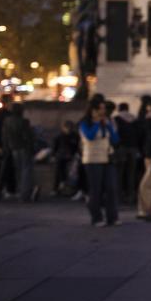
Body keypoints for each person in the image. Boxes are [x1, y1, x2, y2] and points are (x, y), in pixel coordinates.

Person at [79, 97, 120, 226]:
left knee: (111, 188)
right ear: (93, 110)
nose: (103, 111)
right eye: (100, 109)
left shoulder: (106, 122)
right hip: (92, 160)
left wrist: (108, 125)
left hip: (107, 158)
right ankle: (96, 217)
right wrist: (96, 123)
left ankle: (112, 217)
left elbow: (115, 139)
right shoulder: (85, 123)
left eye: (104, 109)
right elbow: (90, 136)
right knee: (95, 190)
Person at [1, 102, 37, 203]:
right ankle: (24, 194)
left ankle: (20, 192)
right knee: (26, 171)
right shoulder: (24, 121)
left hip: (13, 148)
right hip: (24, 147)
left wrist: (5, 147)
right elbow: (28, 137)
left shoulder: (7, 121)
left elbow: (4, 136)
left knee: (19, 170)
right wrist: (32, 147)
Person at [112, 103, 139, 204]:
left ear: (119, 109)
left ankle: (118, 196)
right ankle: (131, 196)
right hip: (133, 148)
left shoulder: (116, 119)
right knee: (131, 173)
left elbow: (114, 133)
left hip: (121, 148)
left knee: (119, 173)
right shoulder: (135, 119)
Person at [51, 120, 80, 195]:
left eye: (70, 128)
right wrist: (53, 155)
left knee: (72, 169)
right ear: (63, 128)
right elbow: (54, 148)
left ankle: (64, 184)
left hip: (71, 156)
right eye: (67, 128)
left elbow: (76, 147)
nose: (69, 130)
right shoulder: (59, 136)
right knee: (58, 168)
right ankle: (57, 187)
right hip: (61, 156)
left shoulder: (75, 136)